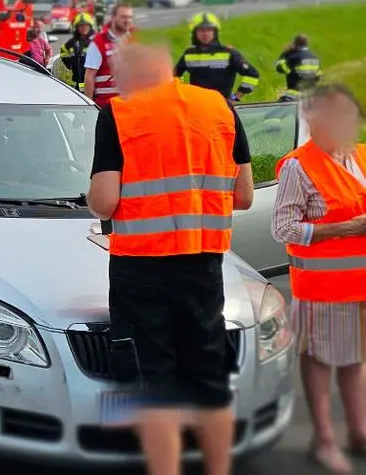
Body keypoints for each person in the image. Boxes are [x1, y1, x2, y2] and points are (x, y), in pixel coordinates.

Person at [88, 43, 254, 475]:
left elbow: (104, 201)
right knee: (209, 378)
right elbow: (245, 196)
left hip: (142, 266)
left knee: (154, 381)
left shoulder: (120, 113)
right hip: (203, 264)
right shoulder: (219, 107)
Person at [270, 84, 366, 474]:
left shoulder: (360, 156)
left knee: (354, 358)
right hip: (321, 287)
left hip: (359, 284)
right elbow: (283, 228)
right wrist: (345, 228)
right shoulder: (299, 165)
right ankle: (324, 440)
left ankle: (359, 432)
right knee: (319, 360)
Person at [174, 12, 260, 103]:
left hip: (222, 106)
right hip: (197, 106)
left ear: (215, 32)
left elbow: (252, 75)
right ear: (194, 32)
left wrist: (235, 98)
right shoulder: (189, 54)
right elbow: (174, 76)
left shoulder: (229, 53)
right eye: (201, 30)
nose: (205, 34)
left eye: (209, 30)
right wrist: (182, 95)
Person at [83, 1, 135, 107]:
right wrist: (89, 108)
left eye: (130, 17)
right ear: (114, 18)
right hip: (108, 106)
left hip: (130, 104)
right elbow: (89, 76)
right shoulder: (98, 42)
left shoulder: (133, 39)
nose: (127, 20)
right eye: (123, 17)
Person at [275, 34, 322, 102]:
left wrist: (285, 53)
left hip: (294, 96)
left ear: (295, 43)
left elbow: (279, 68)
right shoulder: (315, 59)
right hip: (310, 96)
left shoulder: (294, 57)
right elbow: (318, 77)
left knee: (279, 110)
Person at [60, 12, 96, 90]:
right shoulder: (72, 43)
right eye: (80, 26)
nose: (83, 28)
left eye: (86, 25)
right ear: (76, 27)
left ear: (90, 26)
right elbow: (63, 52)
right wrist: (70, 65)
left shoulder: (96, 41)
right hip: (78, 81)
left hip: (95, 81)